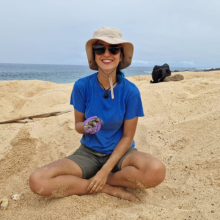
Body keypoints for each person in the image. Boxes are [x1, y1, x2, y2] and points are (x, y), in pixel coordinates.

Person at [29, 27, 166, 201]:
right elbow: (78, 125)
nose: (106, 54)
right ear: (94, 55)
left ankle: (102, 180)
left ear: (121, 55)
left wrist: (104, 172)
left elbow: (127, 136)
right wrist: (85, 127)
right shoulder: (81, 86)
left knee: (155, 170)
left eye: (114, 49)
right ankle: (106, 188)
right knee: (38, 180)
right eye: (100, 49)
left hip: (120, 154)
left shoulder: (131, 92)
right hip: (88, 153)